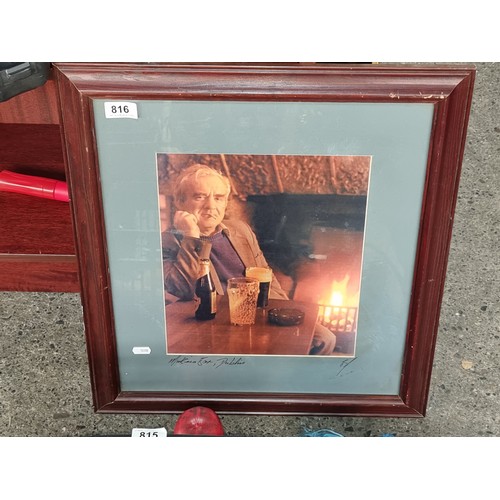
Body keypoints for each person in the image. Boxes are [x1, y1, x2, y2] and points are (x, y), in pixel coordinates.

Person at [161, 164, 336, 355]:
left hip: (257, 314)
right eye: (200, 197)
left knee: (324, 338)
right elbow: (186, 290)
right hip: (215, 322)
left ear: (226, 202)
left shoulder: (240, 230)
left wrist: (285, 311)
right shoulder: (168, 242)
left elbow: (266, 276)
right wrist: (191, 236)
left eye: (219, 198)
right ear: (180, 201)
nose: (211, 206)